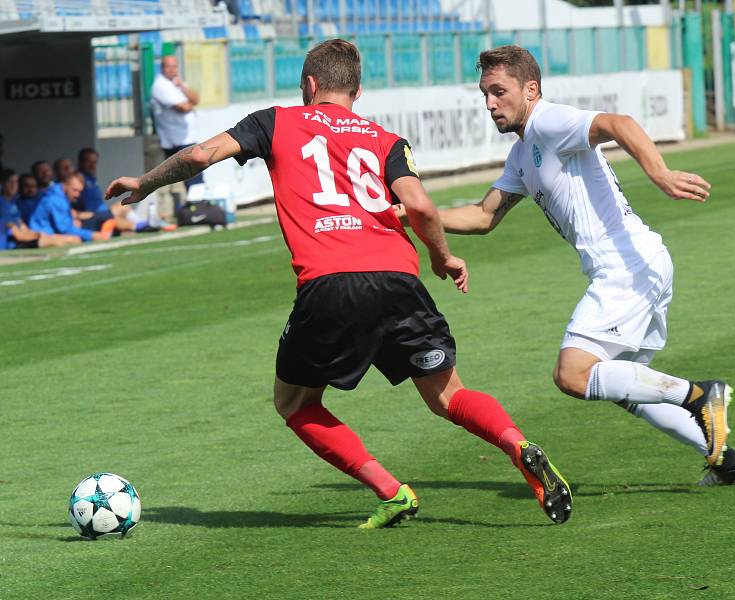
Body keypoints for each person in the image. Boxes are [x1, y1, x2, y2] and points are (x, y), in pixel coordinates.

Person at [107, 39, 574, 528]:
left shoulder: (275, 121)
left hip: (331, 283)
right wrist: (443, 257)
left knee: (294, 402)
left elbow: (203, 154)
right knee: (447, 395)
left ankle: (392, 492)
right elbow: (420, 206)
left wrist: (146, 184)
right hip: (398, 279)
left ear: (309, 85)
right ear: (358, 90)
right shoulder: (386, 139)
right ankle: (517, 443)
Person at [414, 45, 735, 486]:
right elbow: (482, 216)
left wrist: (660, 173)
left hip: (624, 266)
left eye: (499, 91)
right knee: (626, 387)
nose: (490, 103)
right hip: (640, 262)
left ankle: (699, 395)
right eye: (484, 93)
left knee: (573, 375)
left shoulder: (549, 121)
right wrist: (417, 214)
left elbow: (618, 124)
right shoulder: (522, 154)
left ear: (530, 89)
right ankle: (726, 460)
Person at [76, 148, 170, 233]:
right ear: (81, 162)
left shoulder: (91, 179)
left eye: (94, 162)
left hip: (102, 214)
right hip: (93, 216)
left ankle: (145, 224)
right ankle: (144, 225)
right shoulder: (79, 179)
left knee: (123, 208)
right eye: (89, 162)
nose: (93, 165)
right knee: (116, 216)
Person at [150, 55, 203, 189]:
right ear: (162, 68)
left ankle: (198, 204)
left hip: (186, 138)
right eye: (169, 67)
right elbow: (184, 108)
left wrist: (183, 88)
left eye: (174, 66)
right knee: (192, 177)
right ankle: (196, 206)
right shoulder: (160, 86)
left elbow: (196, 99)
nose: (172, 70)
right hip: (175, 140)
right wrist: (190, 102)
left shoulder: (177, 82)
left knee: (195, 175)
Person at [0, 169, 80, 248]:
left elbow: (23, 228)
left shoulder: (13, 203)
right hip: (9, 247)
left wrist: (50, 236)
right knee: (56, 242)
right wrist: (44, 237)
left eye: (16, 182)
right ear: (2, 184)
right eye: (10, 182)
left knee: (69, 239)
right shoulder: (2, 203)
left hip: (22, 241)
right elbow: (18, 235)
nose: (13, 185)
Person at [29, 172, 111, 243]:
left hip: (47, 231)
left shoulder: (58, 192)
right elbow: (65, 229)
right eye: (74, 190)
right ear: (65, 185)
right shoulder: (56, 199)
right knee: (75, 240)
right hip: (40, 236)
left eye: (79, 191)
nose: (77, 195)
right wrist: (92, 235)